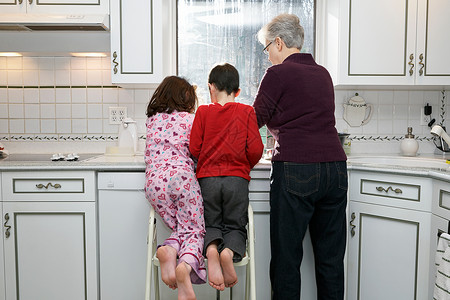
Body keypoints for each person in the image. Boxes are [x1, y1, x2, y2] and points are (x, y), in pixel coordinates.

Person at [253, 14, 348, 300]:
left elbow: (253, 119)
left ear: (279, 43)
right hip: (335, 170)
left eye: (267, 47)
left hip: (296, 170)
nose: (267, 55)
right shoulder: (323, 73)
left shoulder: (278, 73)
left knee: (286, 261)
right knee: (331, 262)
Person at [189, 63, 264, 291]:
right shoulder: (247, 111)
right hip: (236, 180)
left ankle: (211, 251)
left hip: (208, 180)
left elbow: (194, 148)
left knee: (210, 224)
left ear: (211, 88)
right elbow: (256, 149)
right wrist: (242, 166)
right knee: (235, 226)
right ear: (238, 91)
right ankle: (229, 252)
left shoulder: (202, 112)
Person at [144, 76, 206, 300]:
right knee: (194, 230)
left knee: (181, 227)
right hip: (180, 179)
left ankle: (169, 250)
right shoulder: (189, 120)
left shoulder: (152, 121)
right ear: (187, 99)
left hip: (153, 184)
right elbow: (198, 151)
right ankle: (185, 268)